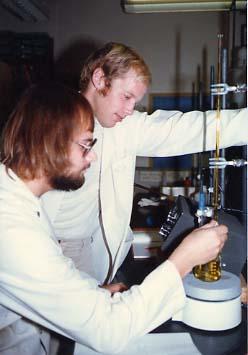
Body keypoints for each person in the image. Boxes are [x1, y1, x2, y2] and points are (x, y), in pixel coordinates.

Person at [0, 81, 228, 355]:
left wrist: (97, 294)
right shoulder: (12, 228)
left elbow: (52, 277)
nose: (93, 156)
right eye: (86, 145)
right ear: (49, 143)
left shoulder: (20, 199)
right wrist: (183, 260)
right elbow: (107, 330)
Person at [41, 42, 248, 286]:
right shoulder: (49, 122)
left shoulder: (122, 127)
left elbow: (183, 130)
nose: (130, 110)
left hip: (90, 247)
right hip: (52, 250)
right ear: (99, 79)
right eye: (126, 97)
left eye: (135, 102)